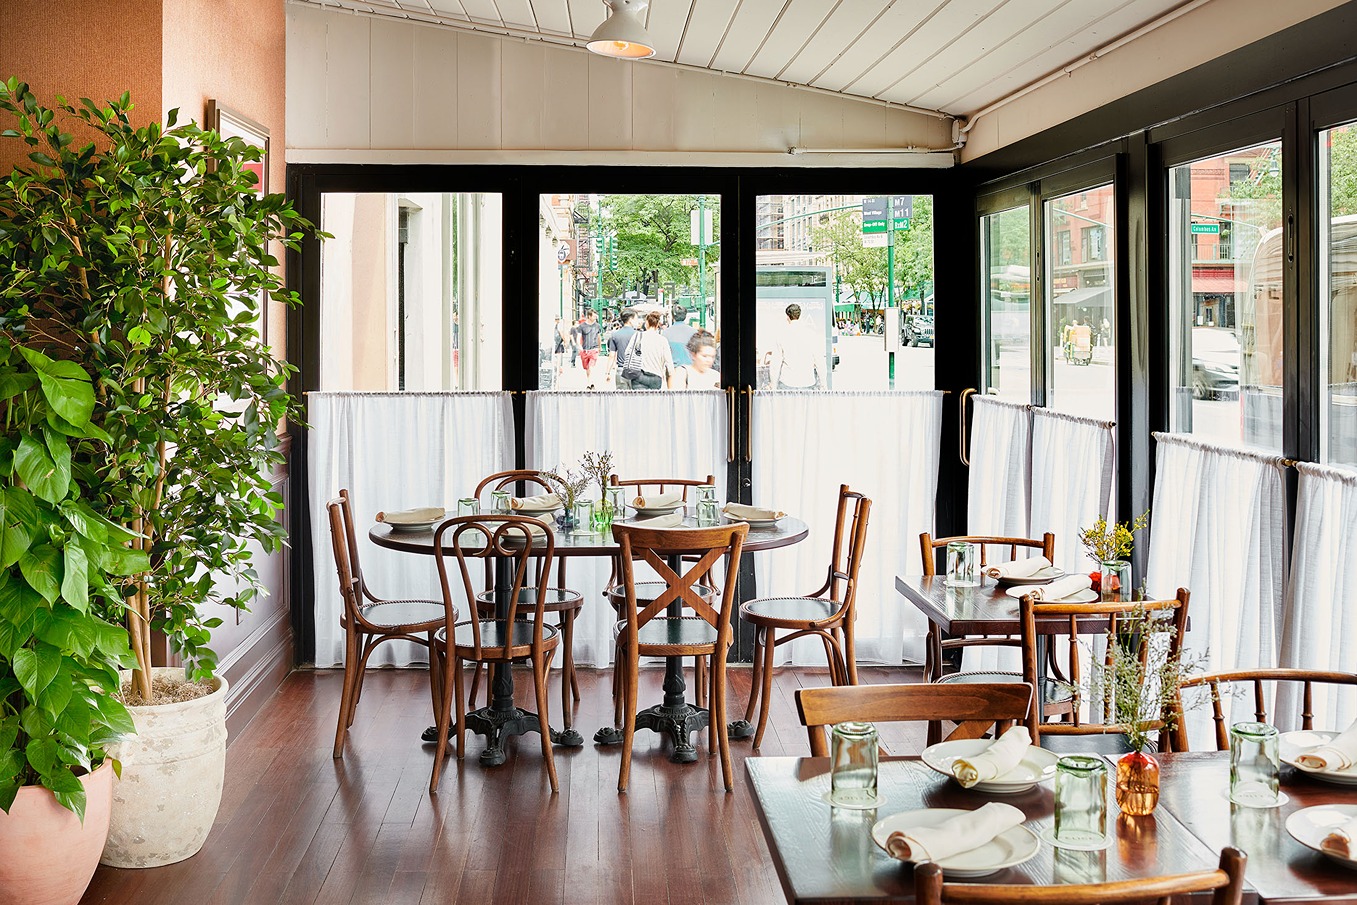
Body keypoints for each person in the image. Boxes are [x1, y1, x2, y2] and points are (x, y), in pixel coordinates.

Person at [769, 303, 825, 390]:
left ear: (787, 317)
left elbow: (775, 363)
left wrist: (773, 385)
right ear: (800, 315)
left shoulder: (781, 335)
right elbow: (819, 361)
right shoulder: (811, 334)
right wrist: (823, 385)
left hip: (787, 381)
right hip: (808, 381)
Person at [634, 311, 674, 389]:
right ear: (657, 325)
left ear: (647, 323)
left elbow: (630, 353)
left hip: (640, 375)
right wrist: (671, 374)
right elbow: (669, 361)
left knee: (639, 400)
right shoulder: (662, 340)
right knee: (654, 400)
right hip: (656, 376)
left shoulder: (639, 337)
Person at [606, 308, 640, 389]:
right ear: (630, 320)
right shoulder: (638, 335)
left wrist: (607, 372)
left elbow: (611, 355)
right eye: (636, 319)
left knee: (621, 398)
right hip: (636, 370)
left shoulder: (615, 335)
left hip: (621, 370)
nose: (637, 321)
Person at [573, 309, 601, 387]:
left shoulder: (597, 326)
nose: (596, 317)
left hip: (594, 349)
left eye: (596, 315)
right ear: (589, 316)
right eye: (594, 315)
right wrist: (579, 346)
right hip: (585, 350)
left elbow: (599, 337)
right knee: (587, 368)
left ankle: (589, 383)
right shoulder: (582, 326)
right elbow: (578, 337)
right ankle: (590, 381)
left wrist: (599, 347)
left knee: (591, 366)